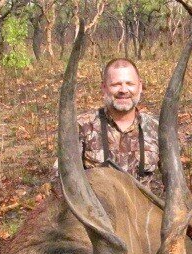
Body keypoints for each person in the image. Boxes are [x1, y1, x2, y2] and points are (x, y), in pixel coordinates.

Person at [52, 58, 160, 192]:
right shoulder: (81, 126)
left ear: (140, 86)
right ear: (104, 87)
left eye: (130, 83)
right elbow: (60, 179)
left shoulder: (157, 128)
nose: (124, 90)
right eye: (116, 84)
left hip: (143, 210)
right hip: (95, 210)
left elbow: (174, 183)